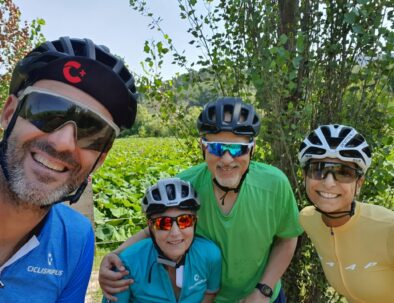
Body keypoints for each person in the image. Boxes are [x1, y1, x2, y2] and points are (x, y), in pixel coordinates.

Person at [99, 98, 303, 302]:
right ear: (202, 147)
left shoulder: (274, 185)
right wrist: (113, 256)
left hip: (264, 294)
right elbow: (159, 227)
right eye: (215, 148)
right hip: (208, 296)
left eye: (236, 149)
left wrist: (263, 290)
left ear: (252, 148)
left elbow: (287, 238)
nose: (226, 159)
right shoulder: (187, 185)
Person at [0, 37, 137, 302]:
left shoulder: (75, 239)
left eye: (91, 131)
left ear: (100, 160)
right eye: (47, 110)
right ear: (9, 114)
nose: (62, 143)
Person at [298, 124, 394, 302]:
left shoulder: (388, 229)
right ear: (305, 176)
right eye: (318, 169)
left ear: (359, 183)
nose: (328, 183)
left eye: (344, 172)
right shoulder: (307, 219)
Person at [104, 177, 222, 303]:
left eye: (184, 220)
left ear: (195, 222)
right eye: (163, 223)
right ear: (150, 227)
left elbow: (210, 293)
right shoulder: (126, 264)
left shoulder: (210, 255)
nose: (175, 233)